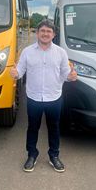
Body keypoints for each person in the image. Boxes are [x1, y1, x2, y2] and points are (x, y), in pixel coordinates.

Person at [10, 20, 77, 173]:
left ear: (53, 34)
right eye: (43, 31)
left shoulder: (61, 52)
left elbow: (66, 73)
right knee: (33, 127)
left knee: (54, 127)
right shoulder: (27, 51)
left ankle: (54, 156)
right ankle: (32, 155)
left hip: (54, 97)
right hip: (34, 98)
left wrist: (71, 76)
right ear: (37, 33)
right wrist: (15, 74)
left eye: (49, 31)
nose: (45, 34)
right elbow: (20, 70)